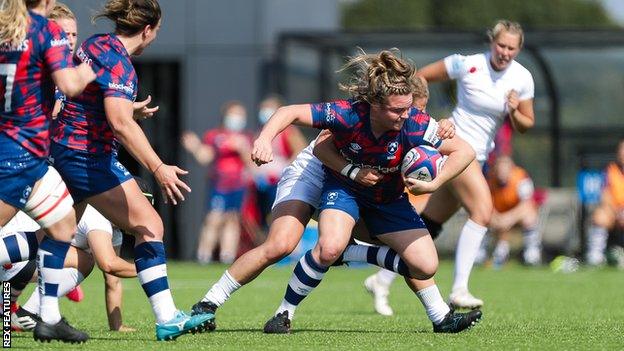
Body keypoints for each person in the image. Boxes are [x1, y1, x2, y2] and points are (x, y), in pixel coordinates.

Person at [189, 71, 474, 333]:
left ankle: (439, 316)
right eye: (404, 110)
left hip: (365, 187)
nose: (414, 117)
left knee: (418, 259)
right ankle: (208, 303)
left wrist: (435, 178)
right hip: (317, 172)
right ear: (378, 104)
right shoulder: (350, 115)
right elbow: (321, 145)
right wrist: (265, 139)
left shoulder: (416, 124)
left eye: (418, 110)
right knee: (281, 244)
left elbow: (461, 149)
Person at [48, 0, 213, 341]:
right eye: (157, 31)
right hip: (86, 158)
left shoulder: (97, 43)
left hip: (64, 150)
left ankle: (36, 311)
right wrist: (158, 167)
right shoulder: (122, 66)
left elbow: (92, 100)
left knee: (54, 239)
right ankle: (168, 317)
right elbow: (119, 124)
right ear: (148, 30)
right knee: (150, 225)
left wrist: (128, 111)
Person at [364, 19, 536, 310]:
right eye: (500, 45)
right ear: (491, 42)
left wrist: (515, 108)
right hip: (456, 150)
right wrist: (420, 114)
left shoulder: (522, 78)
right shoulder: (467, 64)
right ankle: (459, 289)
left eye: (511, 48)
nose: (504, 52)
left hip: (479, 156)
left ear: (518, 49)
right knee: (482, 212)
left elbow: (526, 124)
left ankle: (381, 279)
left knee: (430, 222)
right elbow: (417, 79)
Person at [0, 0, 96, 343]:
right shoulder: (45, 30)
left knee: (63, 225)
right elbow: (70, 85)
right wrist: (98, 62)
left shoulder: (6, 29)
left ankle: (49, 317)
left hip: (29, 155)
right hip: (18, 153)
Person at [182, 101, 252, 264]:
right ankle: (204, 255)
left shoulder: (246, 137)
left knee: (232, 219)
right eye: (234, 114)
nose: (237, 119)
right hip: (219, 184)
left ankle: (227, 256)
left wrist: (242, 148)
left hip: (238, 184)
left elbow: (250, 161)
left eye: (241, 115)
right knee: (213, 218)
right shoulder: (214, 135)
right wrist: (194, 146)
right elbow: (204, 157)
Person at [253, 95, 307, 229]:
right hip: (263, 182)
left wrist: (284, 169)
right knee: (261, 218)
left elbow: (300, 150)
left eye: (269, 109)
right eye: (263, 109)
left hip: (280, 180)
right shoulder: (260, 132)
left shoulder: (289, 131)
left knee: (278, 216)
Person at [476, 155, 541, 267]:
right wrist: (497, 217)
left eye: (505, 169)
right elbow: (485, 202)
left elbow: (526, 204)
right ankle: (482, 253)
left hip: (516, 216)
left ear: (511, 169)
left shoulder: (521, 178)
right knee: (481, 216)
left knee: (529, 217)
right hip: (497, 216)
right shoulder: (489, 179)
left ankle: (532, 254)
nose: (502, 172)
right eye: (499, 169)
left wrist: (509, 218)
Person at [586, 140, 624, 266]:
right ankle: (595, 257)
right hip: (614, 212)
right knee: (600, 216)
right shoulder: (609, 171)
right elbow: (605, 196)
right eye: (621, 150)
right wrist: (618, 213)